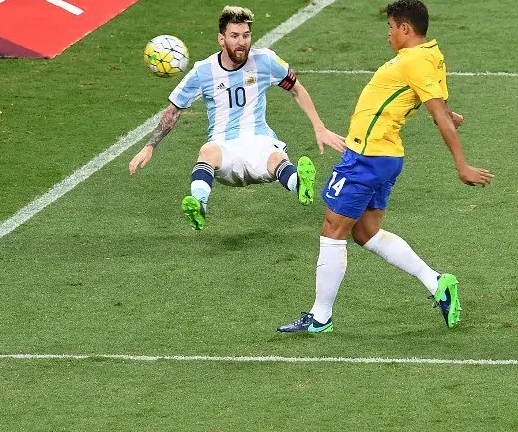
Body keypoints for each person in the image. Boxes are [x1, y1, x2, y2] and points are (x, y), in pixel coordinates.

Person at [278, 0, 493, 333]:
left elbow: (436, 112)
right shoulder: (430, 55)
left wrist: (461, 164)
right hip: (385, 156)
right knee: (366, 232)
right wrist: (449, 115)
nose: (389, 34)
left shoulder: (417, 61)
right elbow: (436, 103)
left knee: (333, 229)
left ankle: (320, 317)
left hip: (367, 156)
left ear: (405, 28)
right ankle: (437, 282)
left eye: (391, 27)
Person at [129, 5, 345, 230]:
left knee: (275, 158)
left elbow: (297, 89)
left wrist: (320, 128)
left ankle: (300, 186)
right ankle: (199, 206)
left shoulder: (265, 60)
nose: (242, 42)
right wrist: (150, 146)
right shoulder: (203, 71)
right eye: (234, 36)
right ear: (221, 39)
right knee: (207, 152)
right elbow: (174, 111)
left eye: (246, 35)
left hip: (259, 139)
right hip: (224, 148)